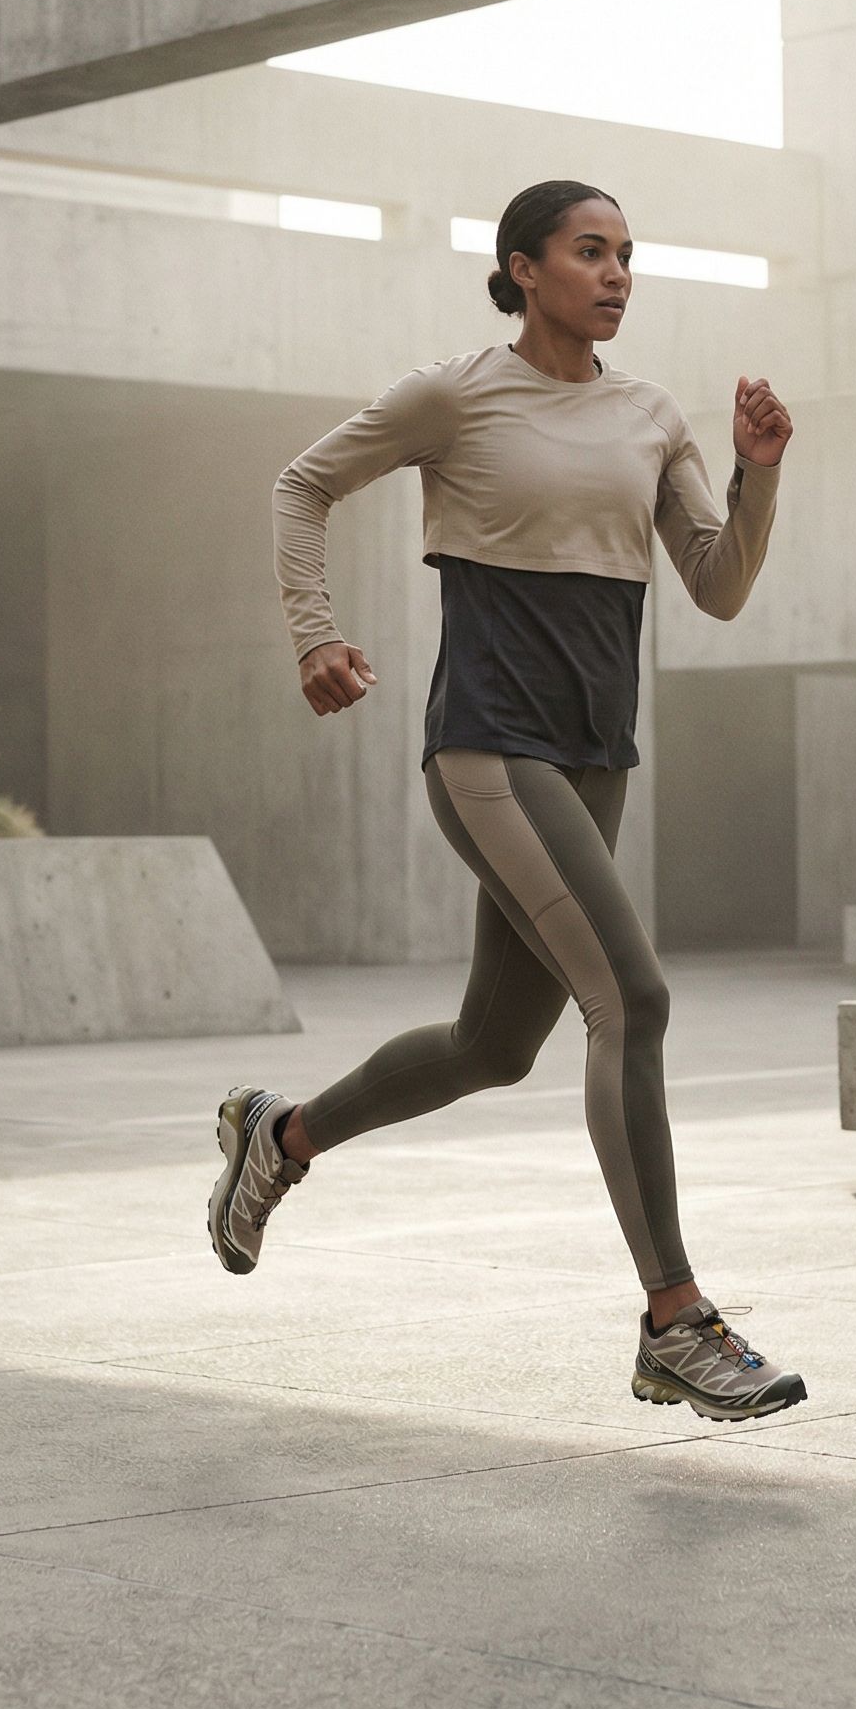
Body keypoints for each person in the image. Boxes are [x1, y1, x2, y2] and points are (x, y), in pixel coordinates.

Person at [208, 179, 805, 1421]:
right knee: (631, 998)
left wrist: (757, 476)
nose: (617, 273)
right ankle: (675, 1319)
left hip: (594, 757)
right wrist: (313, 633)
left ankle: (282, 1137)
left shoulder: (651, 415)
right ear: (524, 269)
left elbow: (716, 585)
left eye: (627, 254)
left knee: (494, 1046)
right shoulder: (456, 393)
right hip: (489, 748)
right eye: (590, 251)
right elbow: (301, 486)